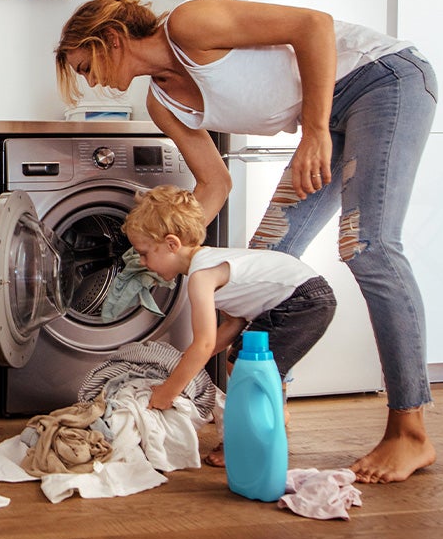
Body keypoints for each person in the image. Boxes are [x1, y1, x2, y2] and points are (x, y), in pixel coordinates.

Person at [54, 0, 438, 483]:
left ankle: (410, 429)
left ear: (111, 38)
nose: (90, 81)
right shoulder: (162, 103)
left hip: (382, 81)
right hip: (330, 116)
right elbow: (215, 185)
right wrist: (161, 247)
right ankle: (265, 411)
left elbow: (313, 25)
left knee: (368, 247)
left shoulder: (190, 24)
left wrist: (315, 132)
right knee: (260, 265)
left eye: (86, 66)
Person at [123, 184, 336, 465]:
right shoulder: (209, 264)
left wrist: (168, 391)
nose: (142, 262)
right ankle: (270, 419)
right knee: (247, 362)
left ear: (172, 244)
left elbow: (205, 343)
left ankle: (250, 437)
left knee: (244, 365)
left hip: (301, 300)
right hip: (303, 296)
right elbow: (233, 325)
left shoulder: (201, 276)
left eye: (144, 253)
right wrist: (184, 363)